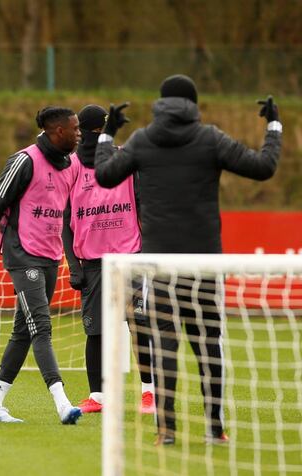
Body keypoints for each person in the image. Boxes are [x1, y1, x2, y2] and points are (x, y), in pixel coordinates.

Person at [95, 74, 282, 445]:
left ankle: (166, 430)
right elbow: (263, 167)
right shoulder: (209, 138)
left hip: (159, 265)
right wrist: (274, 126)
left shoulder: (144, 139)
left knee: (165, 343)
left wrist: (106, 134)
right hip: (205, 264)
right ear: (193, 103)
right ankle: (215, 427)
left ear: (161, 103)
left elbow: (104, 175)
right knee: (209, 344)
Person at [0, 106, 82, 425]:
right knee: (41, 327)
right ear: (57, 131)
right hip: (21, 254)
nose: (78, 134)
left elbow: (65, 212)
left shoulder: (71, 164)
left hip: (49, 255)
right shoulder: (25, 160)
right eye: (74, 129)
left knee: (23, 331)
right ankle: (62, 403)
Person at [61, 104, 154, 414]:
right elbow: (64, 220)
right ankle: (98, 396)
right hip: (92, 261)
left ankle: (149, 393)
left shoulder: (125, 158)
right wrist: (74, 265)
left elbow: (142, 202)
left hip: (128, 256)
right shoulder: (70, 166)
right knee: (95, 330)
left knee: (139, 323)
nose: (84, 136)